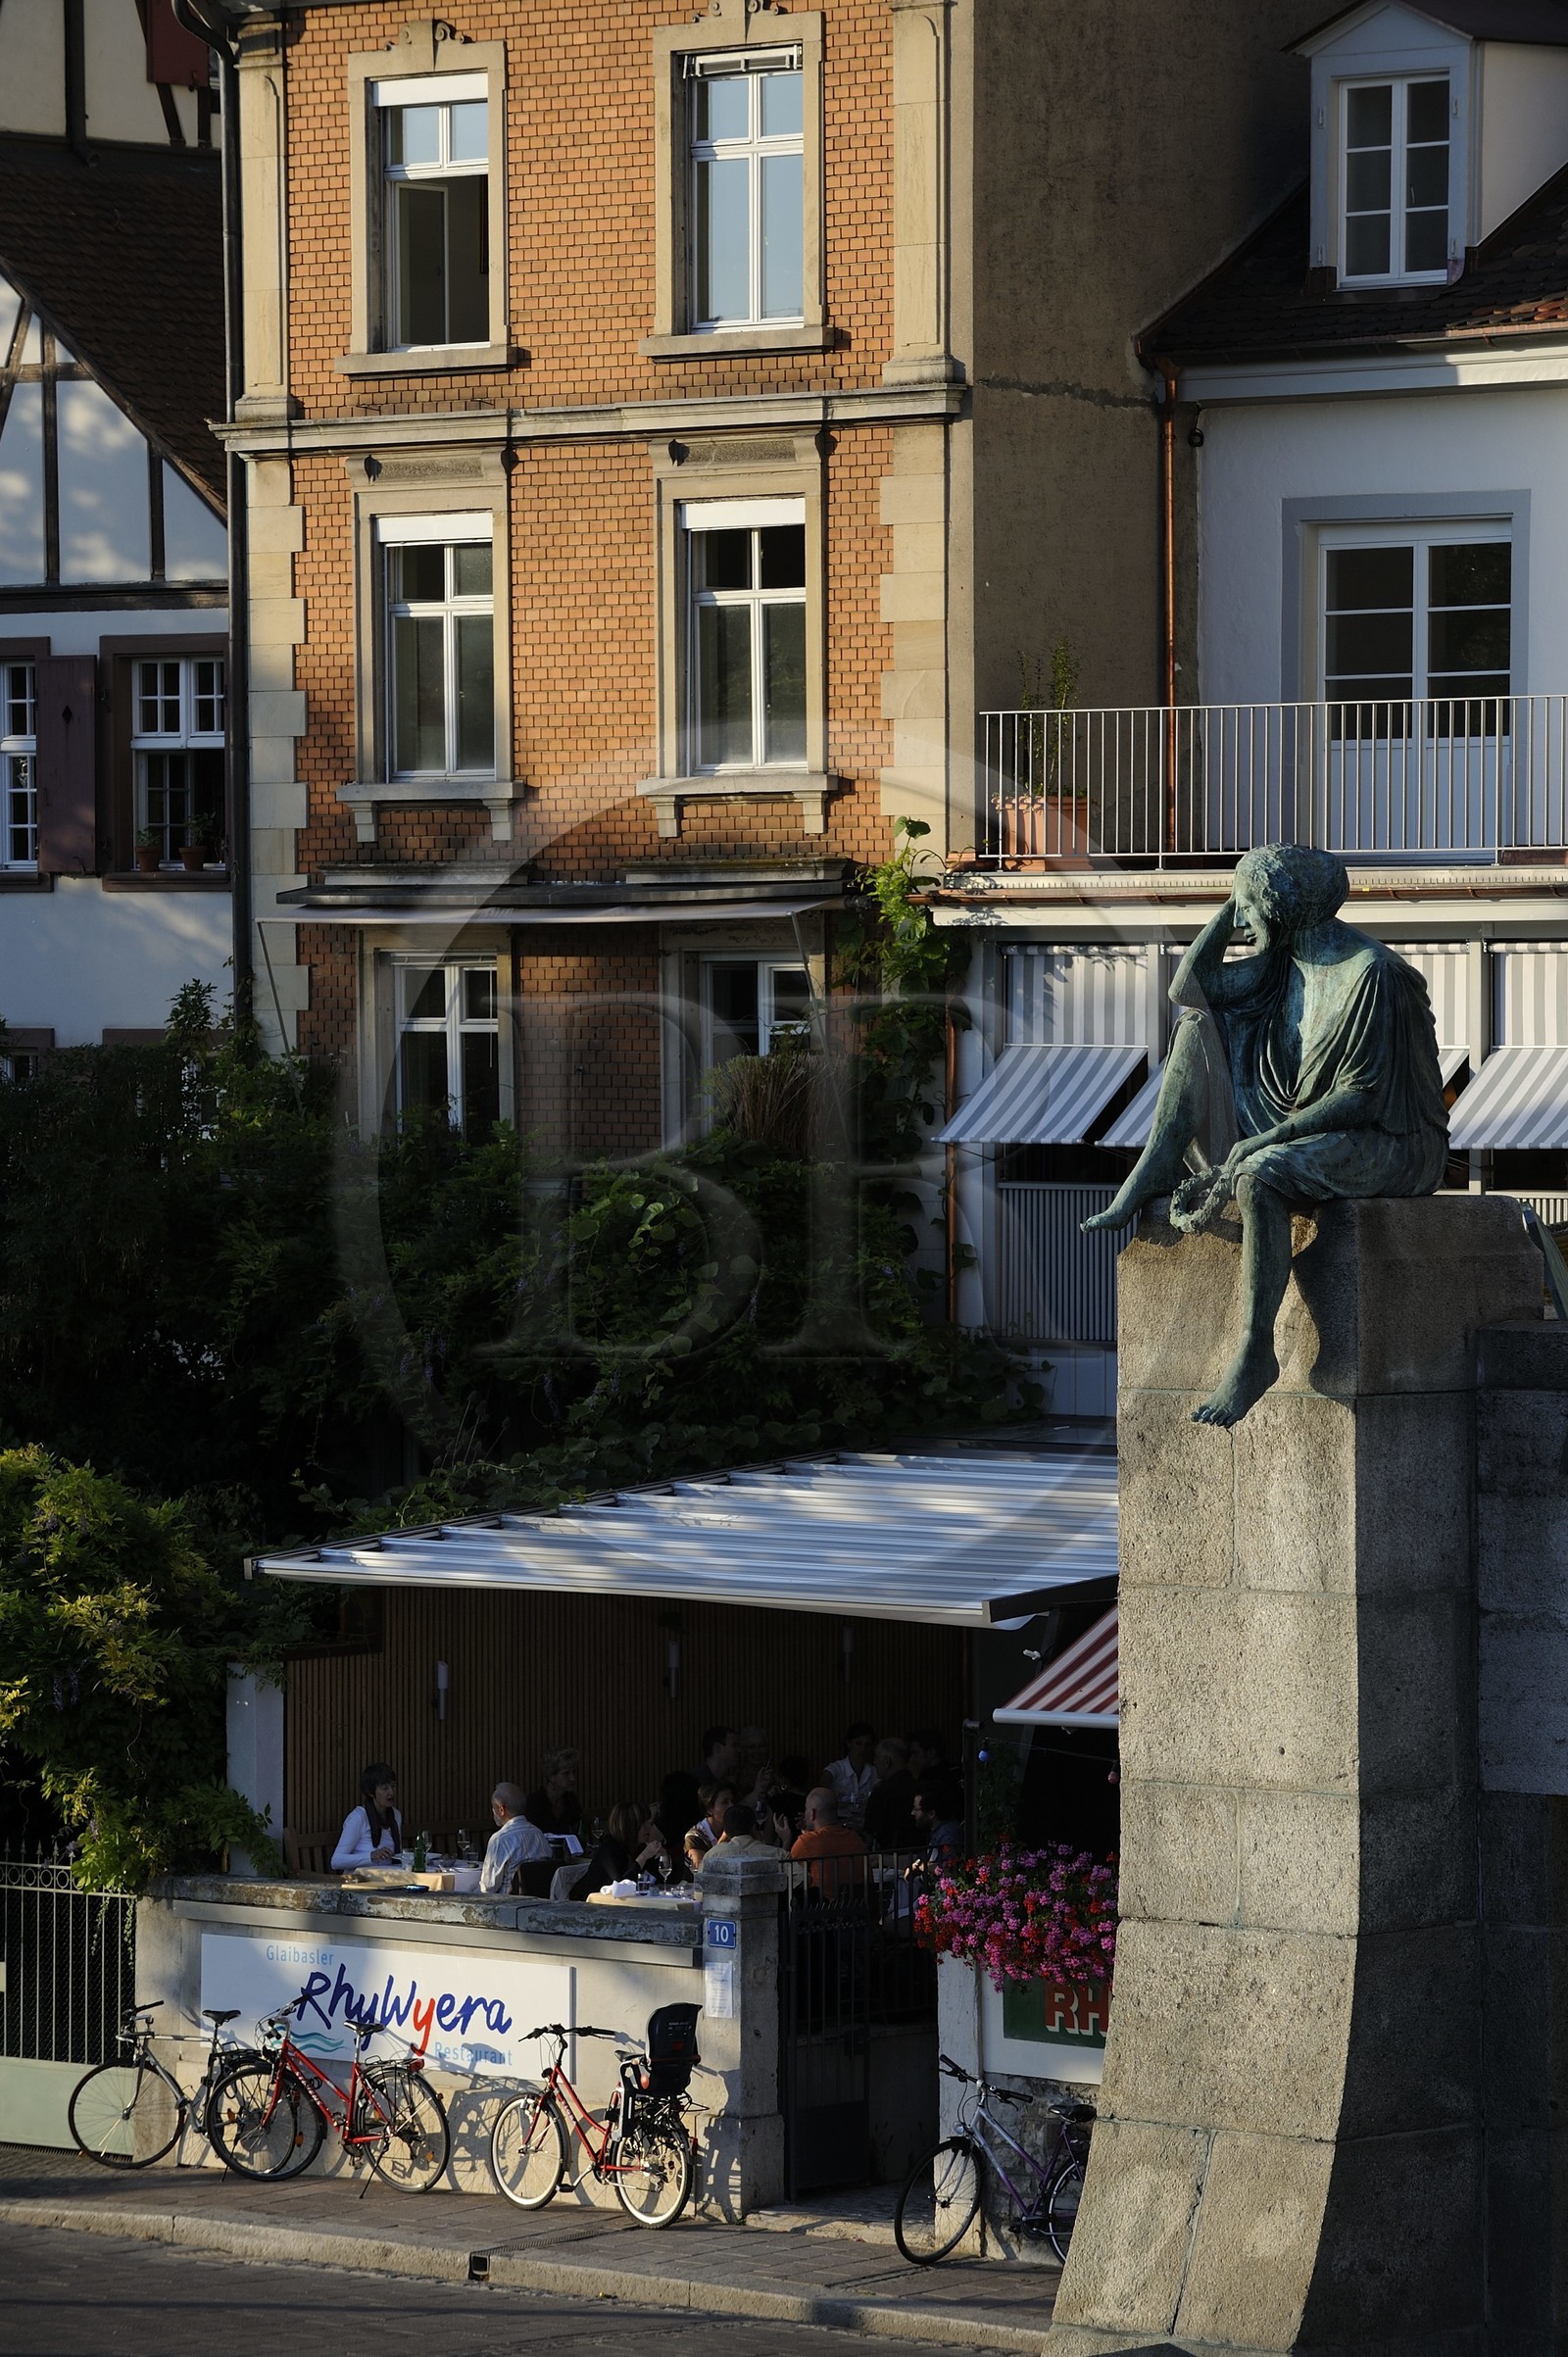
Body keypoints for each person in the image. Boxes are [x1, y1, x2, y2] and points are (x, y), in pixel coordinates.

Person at [1082, 843, 1446, 1429]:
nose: (1240, 921)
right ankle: (1155, 1163)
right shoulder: (1280, 961)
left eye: (1247, 908)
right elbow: (1190, 989)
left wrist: (1269, 1139)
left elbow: (1364, 1096)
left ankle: (1255, 1351)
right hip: (1292, 1122)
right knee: (1197, 1026)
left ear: (1280, 909)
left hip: (1388, 1141)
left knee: (1259, 1174)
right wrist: (1233, 904)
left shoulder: (1373, 974)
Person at [789, 1785, 868, 1893]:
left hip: (824, 1903)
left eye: (806, 1809)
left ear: (812, 1813)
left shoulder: (806, 1842)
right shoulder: (856, 1838)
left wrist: (786, 1840)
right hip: (859, 1903)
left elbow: (790, 1870)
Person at [480, 1782, 553, 1893]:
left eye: (493, 1808)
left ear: (501, 1810)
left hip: (508, 1902)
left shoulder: (500, 1840)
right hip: (539, 1901)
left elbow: (488, 1888)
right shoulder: (539, 1834)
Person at [330, 1763, 403, 1872]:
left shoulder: (396, 1815)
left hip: (390, 1875)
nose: (391, 1792)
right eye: (384, 1788)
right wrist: (371, 1856)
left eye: (393, 1786)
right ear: (370, 1792)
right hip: (360, 1878)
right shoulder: (358, 1818)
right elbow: (336, 1861)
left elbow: (398, 1854)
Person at [862, 1737, 918, 1852]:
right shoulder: (920, 1788)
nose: (874, 1762)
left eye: (876, 1757)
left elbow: (870, 1834)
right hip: (919, 1853)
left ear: (887, 1761)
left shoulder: (881, 1792)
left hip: (888, 1857)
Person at [824, 1722, 877, 1833]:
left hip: (865, 1827)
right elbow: (825, 1779)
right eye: (858, 1744)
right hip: (838, 1827)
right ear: (849, 1743)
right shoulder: (837, 1768)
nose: (863, 1749)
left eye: (867, 1745)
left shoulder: (875, 1772)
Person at [698, 1802, 779, 1875]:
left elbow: (700, 1885)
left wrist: (719, 1845)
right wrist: (785, 1840)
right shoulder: (778, 1855)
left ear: (725, 1831)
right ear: (753, 1828)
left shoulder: (711, 1856)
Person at [523, 1747, 582, 1841]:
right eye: (566, 1773)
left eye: (573, 1773)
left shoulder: (571, 1800)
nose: (572, 1778)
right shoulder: (535, 1803)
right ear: (551, 1776)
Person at [913, 1772, 966, 1869]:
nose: (913, 1813)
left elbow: (949, 1868)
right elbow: (921, 1857)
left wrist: (921, 1868)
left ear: (931, 1814)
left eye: (916, 1809)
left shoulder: (948, 1834)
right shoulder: (936, 1833)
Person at [684, 1783, 734, 1874]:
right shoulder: (695, 1837)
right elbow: (702, 1871)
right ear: (709, 1809)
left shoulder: (735, 1829)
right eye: (725, 1802)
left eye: (732, 1801)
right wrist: (723, 1840)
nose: (731, 1806)